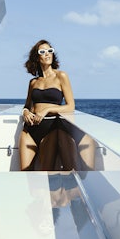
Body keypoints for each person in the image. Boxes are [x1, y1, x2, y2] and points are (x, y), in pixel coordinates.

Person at [18, 39, 77, 171]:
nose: (47, 54)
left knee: (45, 173)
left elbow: (70, 106)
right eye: (42, 51)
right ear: (37, 57)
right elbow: (27, 105)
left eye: (49, 51)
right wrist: (26, 112)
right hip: (29, 129)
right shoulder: (33, 82)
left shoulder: (61, 76)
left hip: (50, 129)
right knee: (24, 173)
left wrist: (47, 109)